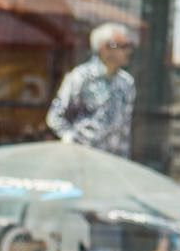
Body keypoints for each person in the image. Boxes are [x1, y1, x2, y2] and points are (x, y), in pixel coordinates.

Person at [47, 23, 137, 155]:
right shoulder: (80, 77)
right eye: (122, 46)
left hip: (113, 160)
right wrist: (70, 140)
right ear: (104, 48)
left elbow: (124, 128)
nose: (128, 51)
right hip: (83, 158)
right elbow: (55, 116)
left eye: (128, 46)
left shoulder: (126, 83)